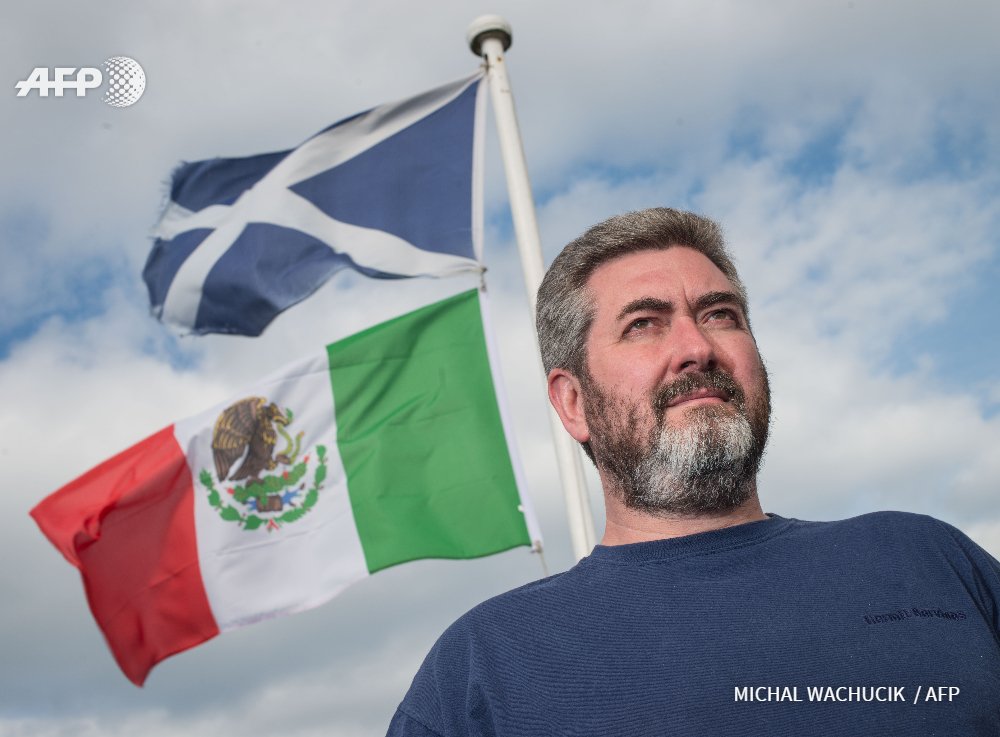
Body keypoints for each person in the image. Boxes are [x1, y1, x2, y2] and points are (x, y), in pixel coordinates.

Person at [386, 208, 1000, 736]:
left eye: (720, 315)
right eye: (643, 324)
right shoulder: (481, 668)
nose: (697, 348)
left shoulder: (927, 558)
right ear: (573, 403)